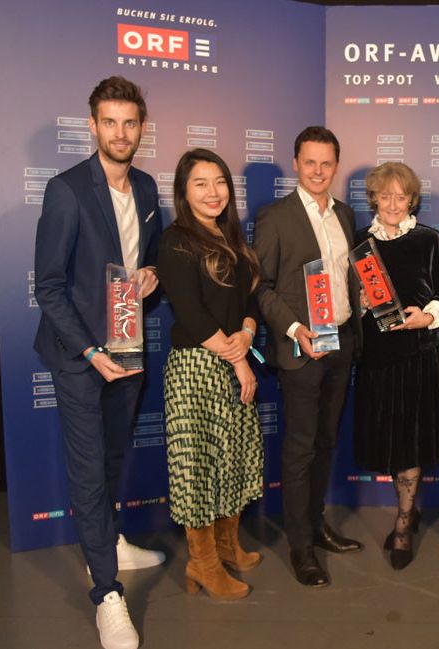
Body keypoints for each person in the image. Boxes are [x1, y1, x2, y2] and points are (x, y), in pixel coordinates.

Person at [33, 76, 164, 649]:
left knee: (113, 457)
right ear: (93, 126)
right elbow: (49, 286)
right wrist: (90, 352)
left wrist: (151, 278)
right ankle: (107, 594)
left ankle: (108, 543)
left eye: (129, 123)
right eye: (109, 122)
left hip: (127, 347)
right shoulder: (66, 190)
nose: (120, 133)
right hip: (79, 355)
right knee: (88, 472)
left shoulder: (148, 187)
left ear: (141, 128)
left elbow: (148, 262)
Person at [253, 126, 363, 588]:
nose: (318, 171)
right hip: (301, 349)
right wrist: (295, 328)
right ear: (296, 163)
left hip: (341, 344)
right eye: (310, 162)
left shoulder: (345, 214)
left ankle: (316, 525)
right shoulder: (275, 217)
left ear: (336, 166)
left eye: (326, 163)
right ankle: (301, 547)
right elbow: (261, 286)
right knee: (300, 449)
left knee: (325, 442)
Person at [157, 149, 264, 601]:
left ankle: (225, 546)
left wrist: (248, 332)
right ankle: (202, 564)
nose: (213, 192)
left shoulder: (231, 236)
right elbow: (192, 313)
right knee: (198, 470)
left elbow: (249, 301)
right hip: (196, 369)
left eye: (219, 181)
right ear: (184, 191)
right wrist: (239, 359)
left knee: (232, 460)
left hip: (231, 358)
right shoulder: (176, 240)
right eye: (200, 183)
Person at [353, 162, 439, 570]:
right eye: (385, 195)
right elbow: (347, 303)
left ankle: (404, 523)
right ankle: (407, 509)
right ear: (374, 198)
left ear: (412, 199)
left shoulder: (429, 240)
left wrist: (426, 317)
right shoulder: (360, 243)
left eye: (401, 196)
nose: (393, 204)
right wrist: (358, 302)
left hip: (416, 357)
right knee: (390, 441)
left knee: (410, 441)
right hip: (376, 359)